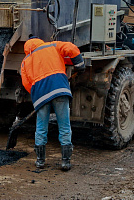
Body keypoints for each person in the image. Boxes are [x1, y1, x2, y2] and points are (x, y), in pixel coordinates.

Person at [20, 35, 85, 171]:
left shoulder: (26, 60)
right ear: (40, 41)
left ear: (27, 47)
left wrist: (38, 92)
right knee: (64, 126)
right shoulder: (52, 46)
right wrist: (79, 65)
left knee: (41, 128)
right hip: (60, 90)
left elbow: (26, 83)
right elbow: (71, 48)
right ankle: (65, 162)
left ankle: (40, 161)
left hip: (41, 95)